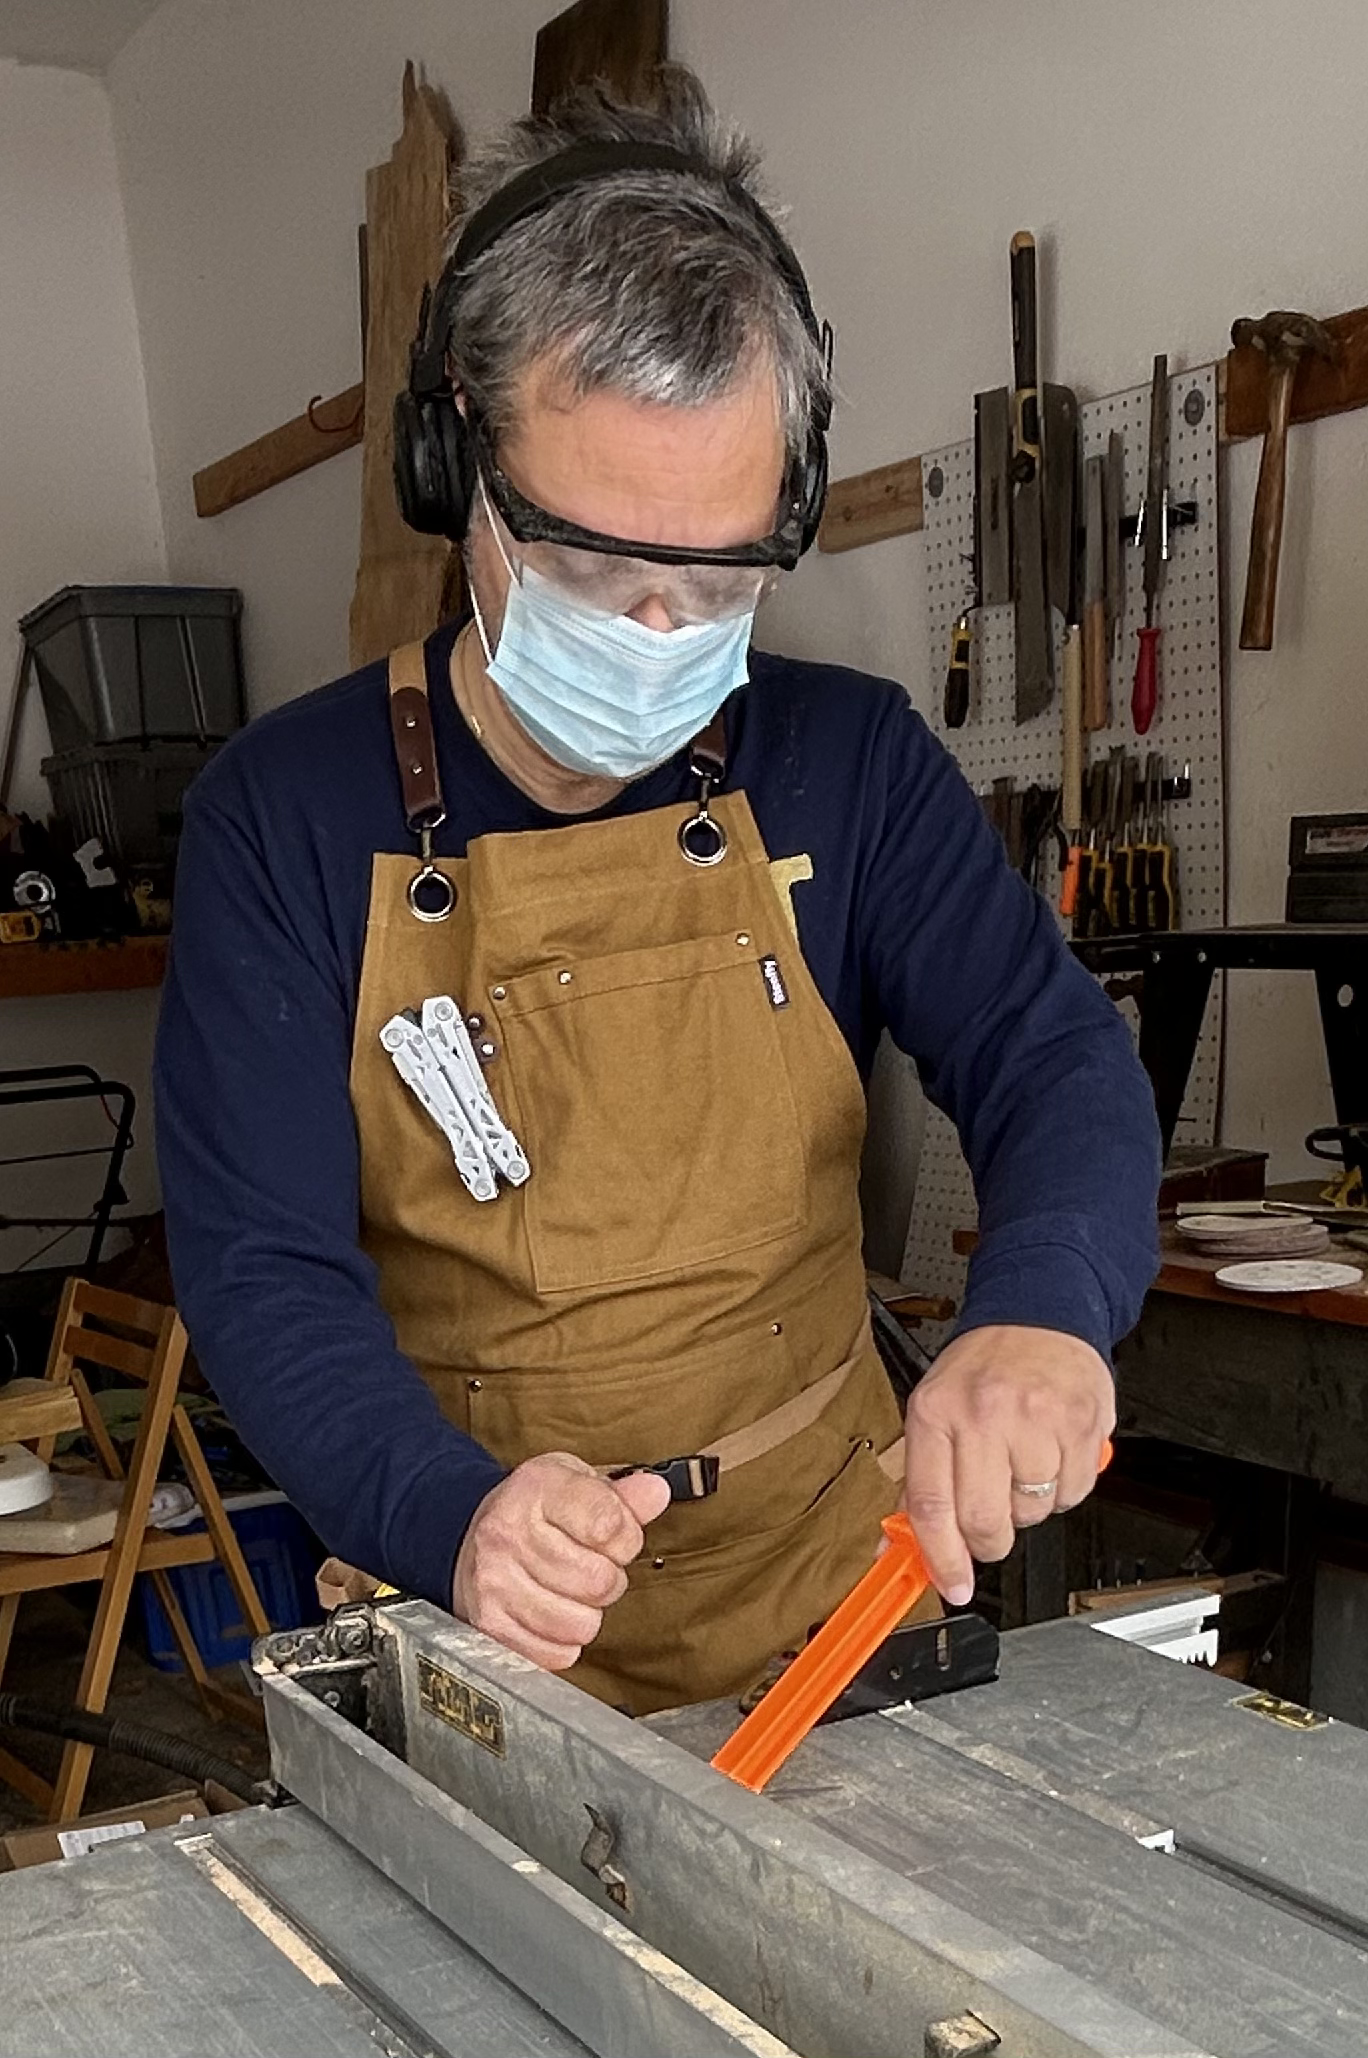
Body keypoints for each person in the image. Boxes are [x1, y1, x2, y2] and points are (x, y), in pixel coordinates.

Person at [155, 67, 1160, 1716]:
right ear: (451, 468)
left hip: (833, 1606)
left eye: (713, 582)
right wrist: (449, 1509)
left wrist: (1045, 1309)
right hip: (482, 1624)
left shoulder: (855, 762)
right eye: (585, 567)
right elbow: (262, 1268)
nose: (652, 637)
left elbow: (1053, 1062)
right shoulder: (283, 819)